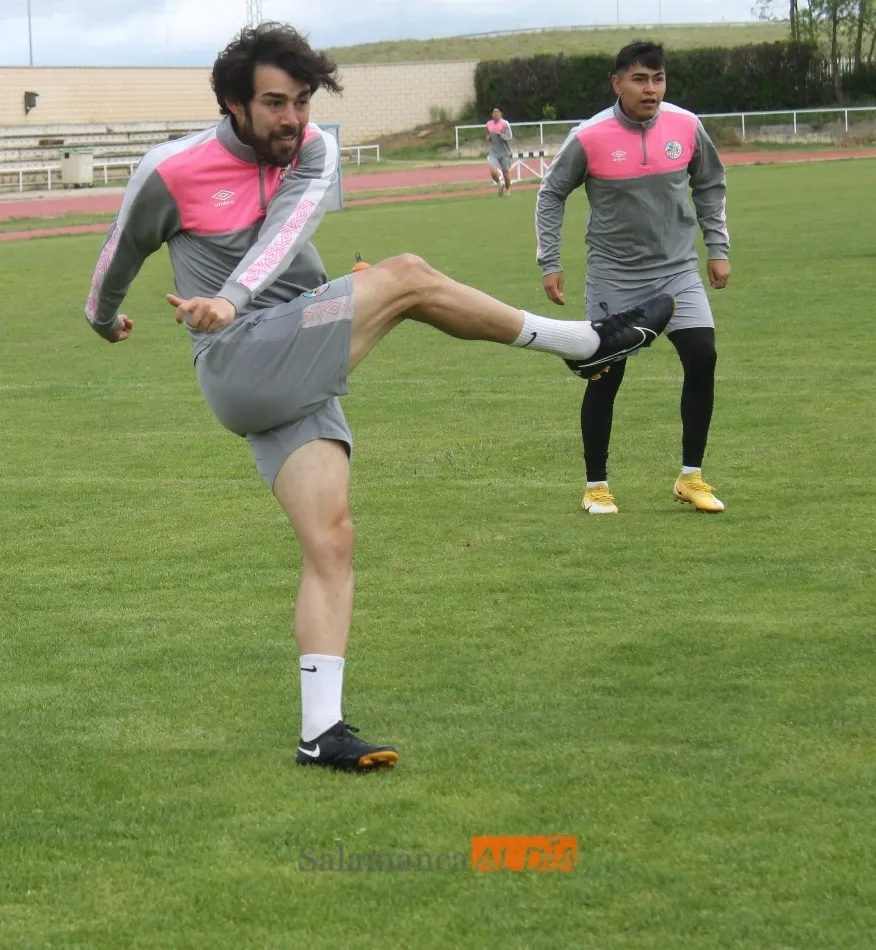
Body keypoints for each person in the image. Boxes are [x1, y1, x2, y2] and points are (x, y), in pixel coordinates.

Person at [84, 23, 675, 772]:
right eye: (275, 103)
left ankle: (320, 731)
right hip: (241, 359)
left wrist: (232, 294)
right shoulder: (171, 170)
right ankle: (584, 344)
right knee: (406, 276)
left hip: (292, 345)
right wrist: (104, 319)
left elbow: (286, 231)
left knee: (332, 538)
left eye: (302, 102)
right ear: (233, 102)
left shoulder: (312, 151)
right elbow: (119, 252)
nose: (293, 119)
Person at [536, 40, 731, 515]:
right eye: (640, 79)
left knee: (702, 356)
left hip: (677, 270)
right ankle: (596, 487)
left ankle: (691, 478)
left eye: (658, 79)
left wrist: (717, 248)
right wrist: (550, 261)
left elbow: (710, 183)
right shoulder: (589, 137)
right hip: (614, 277)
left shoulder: (686, 126)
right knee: (606, 375)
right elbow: (551, 193)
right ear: (617, 83)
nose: (651, 89)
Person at [485, 105, 513, 197]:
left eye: (497, 112)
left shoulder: (505, 123)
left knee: (506, 173)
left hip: (504, 152)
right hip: (493, 152)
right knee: (493, 172)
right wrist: (488, 137)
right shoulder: (488, 124)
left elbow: (509, 136)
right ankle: (500, 184)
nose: (495, 113)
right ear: (491, 114)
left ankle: (507, 190)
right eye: (494, 112)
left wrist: (500, 134)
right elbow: (487, 135)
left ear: (501, 113)